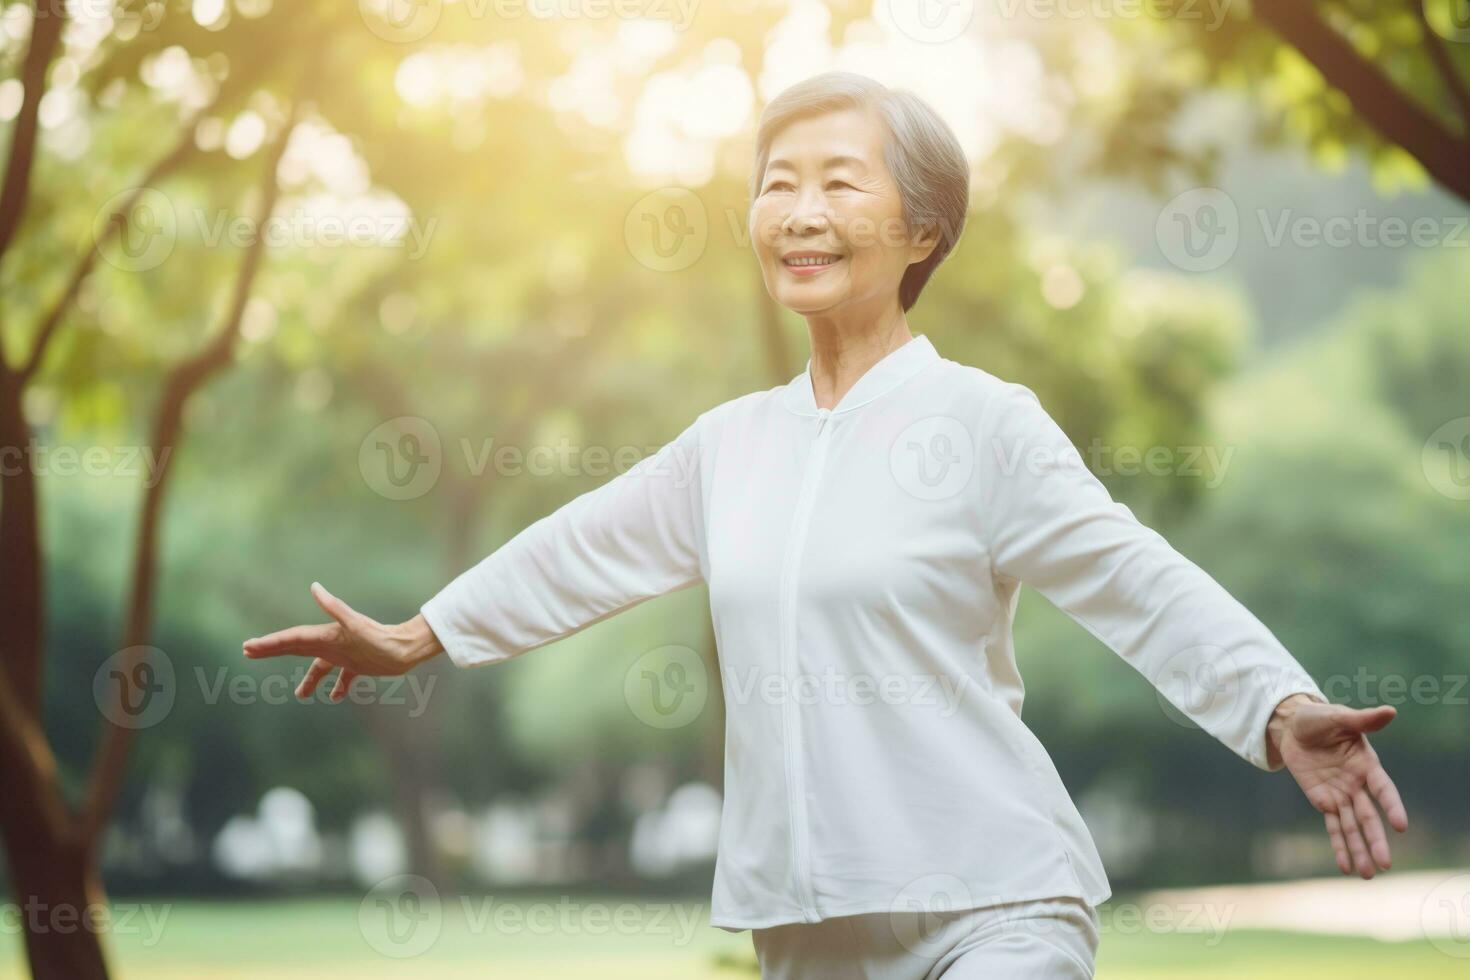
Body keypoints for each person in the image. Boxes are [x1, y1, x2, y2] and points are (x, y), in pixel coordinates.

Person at [242, 71, 1408, 978]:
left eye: (840, 182)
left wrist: (1275, 701)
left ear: (923, 231)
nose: (798, 211)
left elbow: (1132, 575)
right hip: (805, 927)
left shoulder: (982, 422)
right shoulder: (730, 444)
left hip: (995, 904)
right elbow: (578, 548)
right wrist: (419, 633)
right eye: (777, 182)